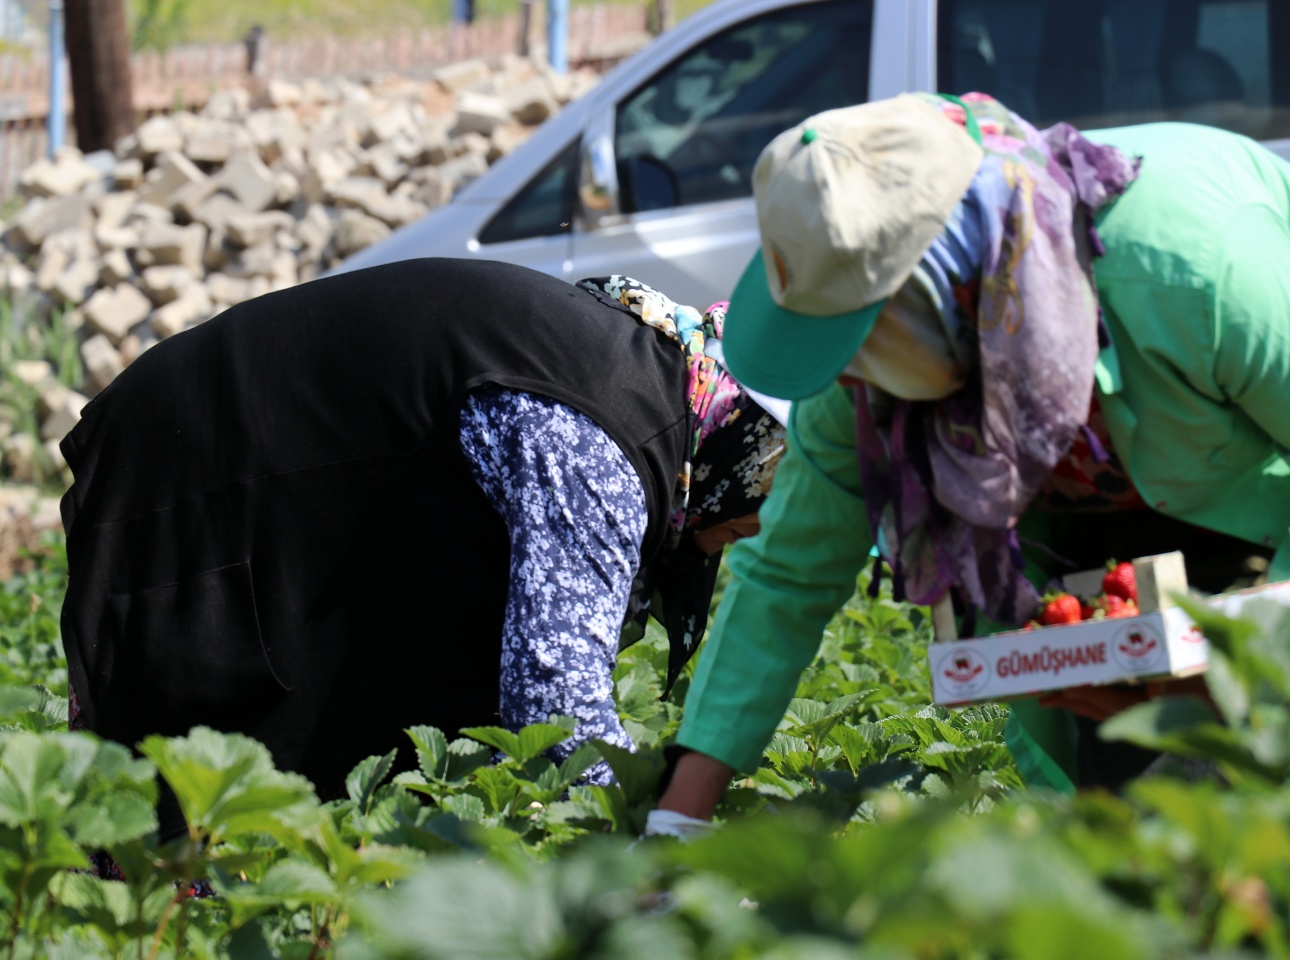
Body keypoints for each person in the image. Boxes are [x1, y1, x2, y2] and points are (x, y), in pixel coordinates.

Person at [649, 91, 1290, 829]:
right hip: (1145, 517)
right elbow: (786, 576)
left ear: (947, 290)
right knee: (1147, 831)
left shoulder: (1182, 268)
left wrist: (1243, 682)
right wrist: (676, 821)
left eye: (862, 343)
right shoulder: (865, 374)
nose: (847, 378)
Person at [59, 259, 786, 821]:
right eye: (751, 514)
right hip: (198, 471)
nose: (739, 536)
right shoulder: (597, 448)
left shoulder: (652, 377)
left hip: (289, 479)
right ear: (744, 456)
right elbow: (556, 705)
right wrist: (669, 839)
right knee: (194, 789)